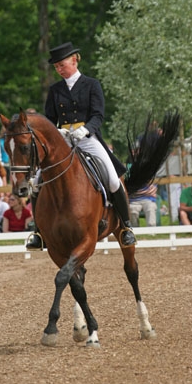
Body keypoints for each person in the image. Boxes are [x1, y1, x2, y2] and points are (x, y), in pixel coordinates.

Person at [26, 41, 136, 249]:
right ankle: (38, 232)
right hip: (63, 141)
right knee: (37, 181)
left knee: (113, 179)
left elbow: (98, 115)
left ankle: (126, 227)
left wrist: (84, 130)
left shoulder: (91, 84)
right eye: (56, 67)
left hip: (87, 138)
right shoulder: (55, 90)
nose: (59, 69)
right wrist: (57, 132)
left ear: (75, 60)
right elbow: (49, 119)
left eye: (62, 65)